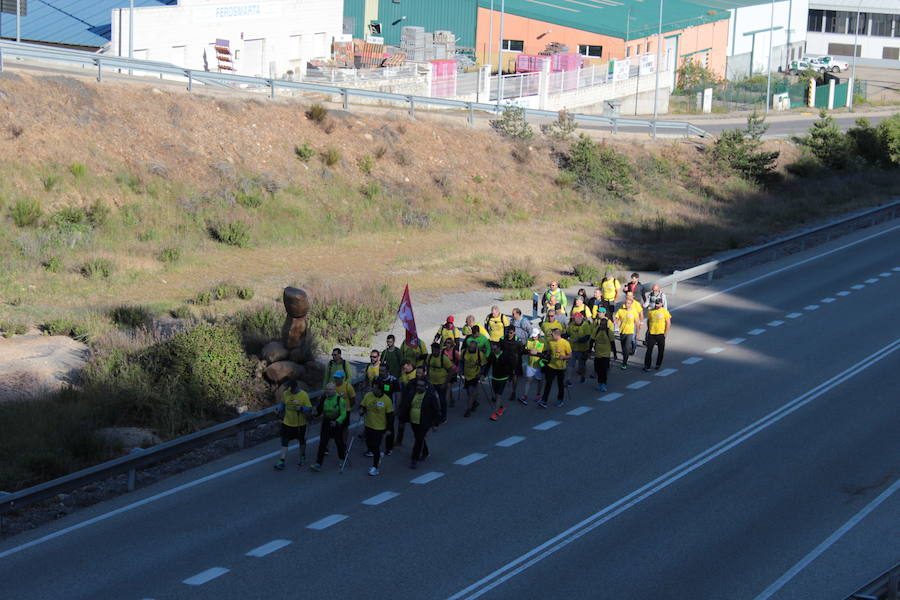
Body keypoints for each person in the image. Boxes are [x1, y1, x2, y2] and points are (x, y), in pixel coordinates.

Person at [398, 375, 441, 469]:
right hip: (414, 421)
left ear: (426, 386)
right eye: (418, 385)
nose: (419, 387)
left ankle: (414, 459)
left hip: (424, 422)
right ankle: (425, 452)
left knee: (418, 440)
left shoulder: (430, 396)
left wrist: (435, 424)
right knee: (419, 438)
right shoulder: (412, 394)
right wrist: (402, 420)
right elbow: (406, 407)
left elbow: (436, 410)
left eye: (421, 386)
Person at [273, 378, 313, 470]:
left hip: (300, 424)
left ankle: (302, 456)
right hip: (287, 422)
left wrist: (302, 408)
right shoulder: (286, 393)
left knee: (301, 441)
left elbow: (309, 408)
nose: (290, 392)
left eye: (292, 390)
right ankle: (282, 460)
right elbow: (283, 404)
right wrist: (279, 409)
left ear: (296, 387)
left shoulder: (303, 395)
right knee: (284, 441)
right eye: (289, 390)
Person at [309, 382, 347, 472]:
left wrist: (337, 421)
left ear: (334, 390)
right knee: (323, 443)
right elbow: (319, 411)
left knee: (339, 443)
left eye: (330, 389)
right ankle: (318, 463)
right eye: (327, 389)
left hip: (336, 423)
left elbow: (343, 414)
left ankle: (342, 458)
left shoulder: (340, 400)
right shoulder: (324, 398)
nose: (328, 391)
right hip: (326, 422)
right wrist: (314, 414)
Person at [359, 381, 394, 476]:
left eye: (374, 388)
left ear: (380, 390)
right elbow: (362, 405)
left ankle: (375, 467)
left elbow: (390, 416)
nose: (372, 389)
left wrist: (389, 429)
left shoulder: (387, 400)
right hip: (368, 425)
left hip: (379, 427)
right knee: (369, 444)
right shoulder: (368, 395)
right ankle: (377, 455)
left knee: (375, 446)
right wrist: (361, 410)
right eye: (373, 387)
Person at [541, 328, 571, 408]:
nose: (551, 336)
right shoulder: (551, 341)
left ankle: (560, 400)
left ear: (556, 334)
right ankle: (544, 400)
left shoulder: (565, 343)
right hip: (551, 366)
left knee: (560, 384)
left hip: (561, 367)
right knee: (548, 383)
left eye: (552, 334)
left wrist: (564, 357)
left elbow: (570, 355)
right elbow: (548, 350)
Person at [426, 342, 454, 423]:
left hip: (441, 383)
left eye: (435, 350)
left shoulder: (444, 358)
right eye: (432, 350)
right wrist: (427, 378)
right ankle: (434, 414)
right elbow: (427, 367)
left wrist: (445, 383)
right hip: (432, 383)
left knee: (442, 400)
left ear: (438, 350)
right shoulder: (429, 357)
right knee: (430, 399)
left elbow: (450, 371)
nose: (433, 352)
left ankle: (443, 417)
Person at [484, 340, 512, 421]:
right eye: (492, 349)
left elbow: (510, 367)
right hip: (494, 378)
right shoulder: (492, 355)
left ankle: (495, 413)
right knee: (496, 395)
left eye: (495, 349)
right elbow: (488, 365)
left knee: (498, 395)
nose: (493, 351)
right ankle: (501, 407)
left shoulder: (505, 356)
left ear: (499, 348)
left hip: (503, 379)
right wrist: (484, 374)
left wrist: (510, 379)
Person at [644, 297, 672, 372]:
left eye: (658, 304)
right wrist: (649, 329)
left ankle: (658, 364)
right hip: (652, 334)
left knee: (661, 350)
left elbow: (668, 323)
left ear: (662, 304)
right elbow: (648, 321)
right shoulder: (651, 311)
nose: (657, 305)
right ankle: (647, 366)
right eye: (656, 304)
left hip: (661, 334)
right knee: (649, 350)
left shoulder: (665, 312)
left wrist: (665, 333)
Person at [614, 296, 643, 370]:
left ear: (631, 304)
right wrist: (615, 322)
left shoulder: (634, 312)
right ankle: (625, 358)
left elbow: (637, 324)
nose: (627, 304)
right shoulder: (620, 311)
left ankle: (624, 363)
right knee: (623, 348)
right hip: (622, 332)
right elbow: (617, 319)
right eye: (626, 303)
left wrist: (638, 334)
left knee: (627, 348)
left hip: (630, 332)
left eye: (629, 303)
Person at [590, 308, 615, 392]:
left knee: (603, 370)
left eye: (604, 325)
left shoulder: (609, 331)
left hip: (606, 354)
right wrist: (589, 350)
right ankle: (600, 383)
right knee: (598, 369)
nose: (602, 326)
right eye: (601, 325)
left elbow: (612, 343)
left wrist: (615, 354)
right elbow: (592, 340)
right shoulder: (597, 329)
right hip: (597, 353)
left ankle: (603, 384)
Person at [460, 338, 486, 417]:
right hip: (466, 375)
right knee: (469, 393)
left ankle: (468, 410)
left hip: (475, 375)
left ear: (476, 347)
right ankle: (474, 402)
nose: (471, 348)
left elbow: (483, 365)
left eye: (472, 347)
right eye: (470, 347)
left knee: (471, 392)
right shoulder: (464, 352)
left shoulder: (480, 354)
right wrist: (460, 370)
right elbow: (461, 362)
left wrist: (481, 374)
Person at [566, 310, 593, 384]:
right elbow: (567, 333)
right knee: (570, 365)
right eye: (573, 318)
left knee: (582, 365)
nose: (573, 320)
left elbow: (587, 337)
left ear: (579, 318)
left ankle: (583, 376)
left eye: (574, 318)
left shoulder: (585, 325)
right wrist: (561, 337)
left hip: (582, 349)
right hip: (573, 349)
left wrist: (578, 340)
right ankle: (568, 379)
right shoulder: (571, 324)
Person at [520, 329, 545, 405]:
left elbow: (545, 354)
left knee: (539, 380)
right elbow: (524, 350)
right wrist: (528, 351)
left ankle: (538, 394)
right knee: (528, 380)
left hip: (539, 365)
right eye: (533, 336)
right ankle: (525, 396)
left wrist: (536, 353)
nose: (533, 338)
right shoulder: (529, 340)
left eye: (535, 336)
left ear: (538, 335)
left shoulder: (542, 342)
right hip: (530, 364)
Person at [500, 325, 524, 402]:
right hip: (505, 361)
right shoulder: (502, 339)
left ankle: (513, 392)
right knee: (503, 376)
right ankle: (498, 393)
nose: (509, 334)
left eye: (510, 333)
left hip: (514, 362)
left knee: (514, 376)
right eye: (508, 332)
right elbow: (500, 348)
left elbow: (521, 351)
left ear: (514, 332)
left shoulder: (518, 340)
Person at [395, 361, 416, 447]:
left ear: (410, 365)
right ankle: (398, 440)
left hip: (413, 403)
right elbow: (400, 382)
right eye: (402, 368)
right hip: (404, 402)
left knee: (415, 426)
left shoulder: (416, 373)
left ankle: (420, 443)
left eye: (405, 368)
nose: (403, 370)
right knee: (401, 422)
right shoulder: (403, 373)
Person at [332, 370, 357, 446]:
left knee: (345, 427)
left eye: (338, 378)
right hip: (336, 411)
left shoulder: (348, 386)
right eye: (335, 377)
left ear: (342, 378)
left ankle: (344, 443)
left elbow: (353, 399)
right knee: (336, 427)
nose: (336, 379)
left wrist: (348, 407)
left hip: (345, 411)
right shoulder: (333, 387)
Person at [442, 336, 461, 407]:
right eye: (446, 342)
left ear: (452, 344)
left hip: (452, 371)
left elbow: (460, 361)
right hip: (444, 371)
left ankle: (445, 404)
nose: (447, 344)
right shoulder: (442, 351)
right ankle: (451, 399)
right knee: (448, 387)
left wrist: (458, 369)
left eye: (449, 343)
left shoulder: (455, 352)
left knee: (448, 386)